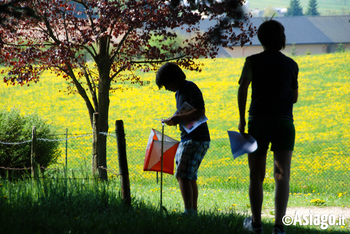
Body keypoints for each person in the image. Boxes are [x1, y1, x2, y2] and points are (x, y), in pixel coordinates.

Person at [237, 20, 299, 234]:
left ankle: (256, 225)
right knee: (282, 175)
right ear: (281, 39)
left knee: (256, 175)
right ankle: (279, 228)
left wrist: (242, 120)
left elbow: (243, 89)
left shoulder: (251, 61)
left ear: (261, 39)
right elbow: (295, 98)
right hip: (284, 122)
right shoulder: (291, 64)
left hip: (258, 122)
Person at [156, 62, 210, 215]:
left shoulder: (190, 87)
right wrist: (174, 119)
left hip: (196, 138)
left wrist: (178, 118)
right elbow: (184, 113)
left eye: (167, 84)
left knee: (182, 174)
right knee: (189, 175)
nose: (166, 88)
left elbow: (200, 111)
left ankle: (189, 211)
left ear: (174, 79)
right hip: (187, 137)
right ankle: (192, 211)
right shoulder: (178, 93)